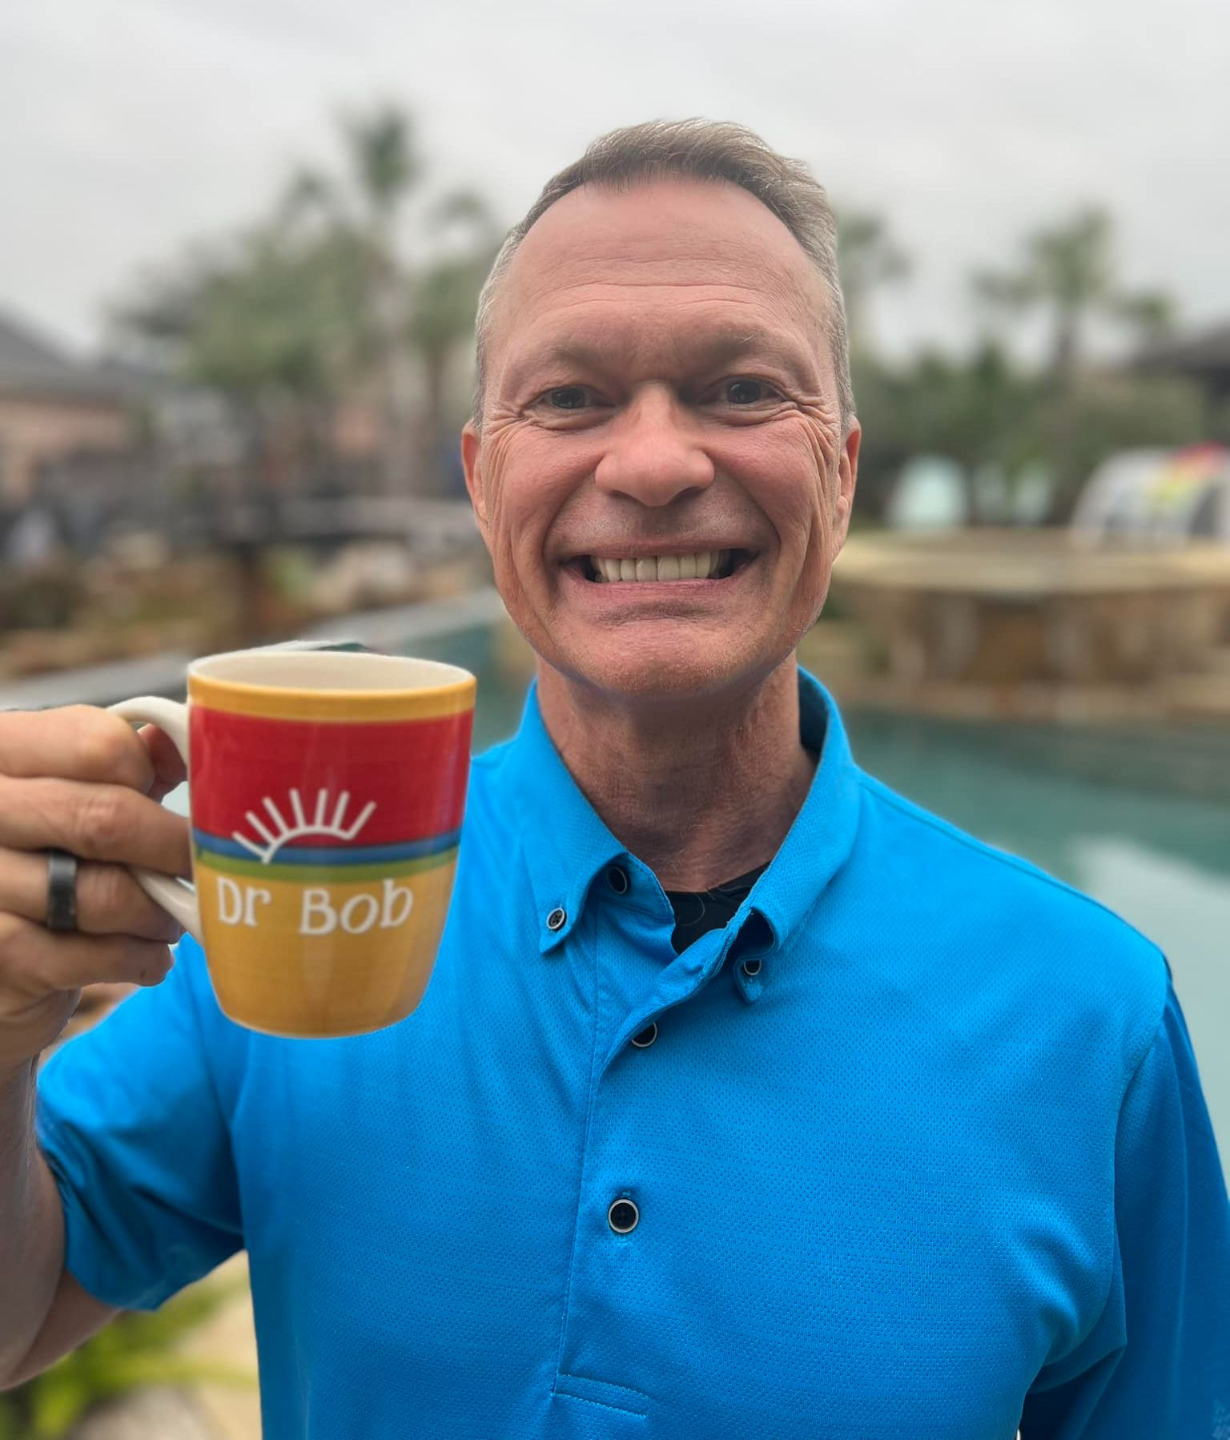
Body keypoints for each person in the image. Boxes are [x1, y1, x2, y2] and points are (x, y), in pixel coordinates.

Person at [1, 120, 1227, 1439]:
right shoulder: (295, 913)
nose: (651, 465)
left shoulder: (1085, 1016)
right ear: (482, 482)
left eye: (741, 390)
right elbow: (26, 1309)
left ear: (841, 471)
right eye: (571, 399)